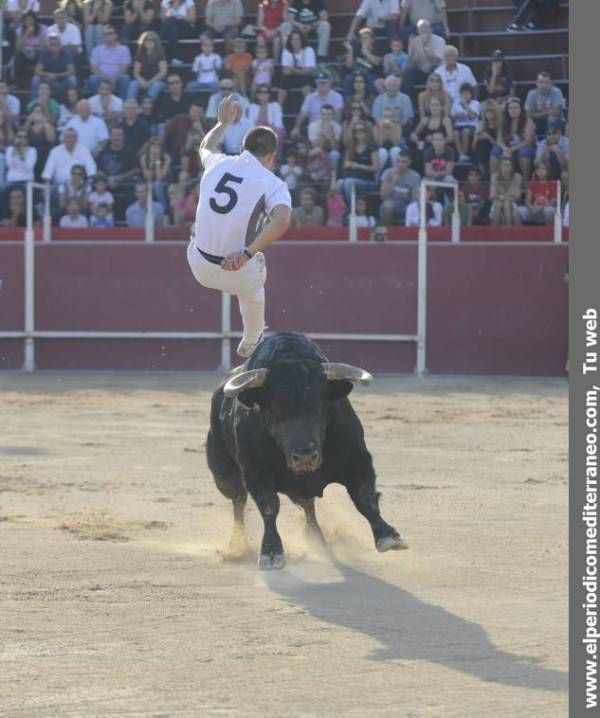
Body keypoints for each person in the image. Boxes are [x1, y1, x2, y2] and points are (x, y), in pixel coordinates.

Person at [186, 95, 292, 358]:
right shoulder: (272, 182)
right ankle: (252, 338)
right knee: (256, 276)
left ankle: (252, 336)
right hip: (238, 271)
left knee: (195, 232)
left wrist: (222, 123)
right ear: (271, 156)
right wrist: (246, 253)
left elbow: (204, 147)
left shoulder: (218, 162)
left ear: (244, 147)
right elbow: (282, 220)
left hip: (199, 265)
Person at [490, 96, 536, 180]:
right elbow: (499, 140)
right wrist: (505, 149)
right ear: (507, 110)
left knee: (524, 153)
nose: (513, 110)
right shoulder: (503, 121)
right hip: (508, 147)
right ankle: (494, 181)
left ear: (521, 109)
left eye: (516, 108)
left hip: (524, 147)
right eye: (511, 108)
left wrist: (512, 149)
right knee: (495, 152)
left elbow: (528, 141)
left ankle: (525, 183)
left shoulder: (528, 121)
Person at [337, 121, 379, 206]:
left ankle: (352, 209)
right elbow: (345, 165)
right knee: (340, 183)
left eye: (361, 130)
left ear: (366, 131)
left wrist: (358, 166)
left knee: (349, 182)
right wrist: (348, 164)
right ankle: (342, 209)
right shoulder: (350, 147)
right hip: (352, 175)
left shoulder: (371, 147)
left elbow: (376, 167)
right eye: (356, 131)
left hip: (367, 179)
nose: (358, 132)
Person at [291, 73, 344, 139]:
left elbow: (338, 115)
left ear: (330, 83)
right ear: (316, 84)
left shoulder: (337, 97)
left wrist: (331, 128)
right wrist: (296, 127)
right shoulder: (310, 98)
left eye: (324, 82)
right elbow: (303, 114)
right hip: (314, 128)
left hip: (331, 127)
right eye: (320, 83)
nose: (322, 84)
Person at [401, 18, 445, 96]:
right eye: (421, 27)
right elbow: (412, 64)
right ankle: (408, 99)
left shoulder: (440, 40)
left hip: (435, 72)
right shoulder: (414, 41)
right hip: (420, 71)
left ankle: (434, 99)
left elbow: (435, 61)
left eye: (426, 27)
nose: (424, 29)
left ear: (431, 29)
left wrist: (425, 46)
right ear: (418, 31)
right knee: (408, 71)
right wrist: (413, 48)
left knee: (435, 69)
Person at [88, 24, 132, 100]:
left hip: (118, 78)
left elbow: (124, 69)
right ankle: (98, 102)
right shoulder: (97, 50)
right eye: (105, 34)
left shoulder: (124, 49)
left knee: (125, 78)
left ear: (116, 35)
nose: (107, 36)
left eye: (110, 33)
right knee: (93, 78)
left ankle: (122, 104)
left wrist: (114, 79)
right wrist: (106, 78)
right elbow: (94, 68)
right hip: (101, 77)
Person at [379, 149, 420, 225]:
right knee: (388, 206)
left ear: (409, 162)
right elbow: (383, 196)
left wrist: (406, 197)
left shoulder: (415, 176)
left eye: (403, 162)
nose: (400, 164)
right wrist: (393, 181)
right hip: (389, 203)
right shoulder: (388, 172)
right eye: (398, 161)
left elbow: (415, 199)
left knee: (415, 208)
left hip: (406, 206)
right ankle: (389, 232)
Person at [32, 32, 77, 100]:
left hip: (63, 80)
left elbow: (72, 71)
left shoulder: (66, 53)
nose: (54, 47)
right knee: (35, 79)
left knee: (72, 79)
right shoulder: (45, 53)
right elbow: (37, 71)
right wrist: (47, 74)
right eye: (52, 45)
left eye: (56, 44)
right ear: (49, 46)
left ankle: (72, 102)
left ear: (60, 45)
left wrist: (57, 75)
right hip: (48, 80)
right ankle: (34, 102)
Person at [278, 30, 317, 106]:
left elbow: (310, 70)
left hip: (306, 77)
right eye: (293, 39)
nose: (295, 41)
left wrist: (294, 70)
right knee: (283, 81)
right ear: (290, 41)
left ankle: (310, 108)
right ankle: (278, 109)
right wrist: (300, 71)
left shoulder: (309, 50)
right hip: (294, 76)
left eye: (297, 39)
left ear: (302, 40)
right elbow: (285, 71)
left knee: (306, 81)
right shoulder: (287, 51)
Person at [12, 11, 48, 90]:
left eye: (31, 20)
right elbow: (18, 47)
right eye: (27, 20)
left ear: (35, 20)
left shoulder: (42, 29)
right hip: (25, 54)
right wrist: (26, 34)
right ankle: (17, 83)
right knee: (18, 55)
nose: (29, 22)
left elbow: (43, 47)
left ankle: (41, 81)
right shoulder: (20, 30)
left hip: (37, 52)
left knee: (41, 54)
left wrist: (33, 49)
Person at [127, 31, 168, 102]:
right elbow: (136, 73)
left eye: (152, 39)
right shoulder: (139, 55)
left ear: (156, 42)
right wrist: (142, 81)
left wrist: (150, 82)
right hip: (142, 80)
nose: (149, 41)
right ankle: (130, 104)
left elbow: (163, 72)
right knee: (133, 84)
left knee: (156, 85)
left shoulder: (160, 54)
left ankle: (146, 105)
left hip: (157, 81)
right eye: (146, 40)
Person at [524, 71, 565, 138]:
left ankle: (552, 142)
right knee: (528, 121)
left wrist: (536, 114)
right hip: (538, 122)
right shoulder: (531, 93)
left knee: (551, 119)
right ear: (536, 83)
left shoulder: (556, 91)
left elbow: (557, 112)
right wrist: (549, 112)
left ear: (550, 83)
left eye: (546, 82)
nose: (543, 85)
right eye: (541, 82)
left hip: (557, 121)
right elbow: (528, 114)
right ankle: (531, 143)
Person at [247, 86, 285, 156]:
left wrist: (268, 129)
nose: (263, 94)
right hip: (257, 131)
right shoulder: (252, 106)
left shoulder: (275, 106)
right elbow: (251, 123)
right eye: (260, 92)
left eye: (265, 92)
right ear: (256, 94)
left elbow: (278, 123)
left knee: (279, 131)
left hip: (272, 130)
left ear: (269, 94)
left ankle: (275, 156)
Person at [517, 158, 557, 225]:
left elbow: (553, 201)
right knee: (517, 210)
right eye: (539, 169)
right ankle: (519, 233)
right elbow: (527, 201)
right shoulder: (532, 184)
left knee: (548, 211)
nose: (541, 171)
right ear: (536, 171)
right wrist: (531, 208)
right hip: (534, 210)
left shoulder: (553, 183)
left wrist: (541, 207)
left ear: (548, 171)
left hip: (547, 209)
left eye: (544, 169)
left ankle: (550, 233)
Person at [489, 154, 522, 225]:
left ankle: (513, 232)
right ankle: (493, 233)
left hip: (513, 204)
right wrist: (506, 197)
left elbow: (517, 196)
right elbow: (492, 196)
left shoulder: (517, 177)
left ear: (512, 167)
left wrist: (501, 197)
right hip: (497, 203)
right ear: (500, 166)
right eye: (504, 165)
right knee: (498, 205)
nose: (506, 168)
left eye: (508, 165)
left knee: (510, 208)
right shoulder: (494, 177)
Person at [450, 83, 480, 161]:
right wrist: (457, 115)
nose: (465, 95)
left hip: (471, 125)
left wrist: (465, 104)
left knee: (465, 131)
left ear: (471, 94)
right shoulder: (455, 104)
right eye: (462, 94)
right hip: (458, 125)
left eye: (467, 93)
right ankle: (461, 155)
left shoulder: (475, 103)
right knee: (455, 133)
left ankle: (465, 153)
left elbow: (473, 116)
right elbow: (452, 117)